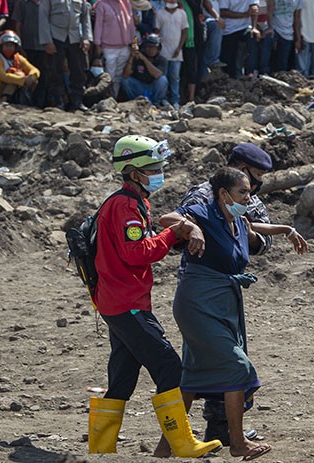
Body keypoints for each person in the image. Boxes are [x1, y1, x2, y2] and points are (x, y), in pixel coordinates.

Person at [88, 134, 222, 458]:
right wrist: (172, 233)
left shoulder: (135, 203)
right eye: (152, 167)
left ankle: (100, 448)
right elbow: (136, 252)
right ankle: (181, 442)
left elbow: (143, 243)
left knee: (122, 378)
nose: (159, 172)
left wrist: (172, 237)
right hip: (126, 304)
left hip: (116, 301)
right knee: (169, 367)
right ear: (134, 172)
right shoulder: (124, 206)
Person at [178, 143, 307, 445]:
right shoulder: (202, 195)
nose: (256, 187)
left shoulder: (248, 199)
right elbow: (177, 229)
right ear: (238, 167)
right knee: (225, 362)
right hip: (203, 287)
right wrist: (198, 232)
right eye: (255, 176)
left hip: (228, 289)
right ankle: (217, 433)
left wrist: (265, 235)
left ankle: (211, 431)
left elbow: (259, 241)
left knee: (208, 361)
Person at [159, 167, 273, 460]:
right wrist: (192, 227)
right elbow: (166, 219)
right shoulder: (204, 211)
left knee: (191, 376)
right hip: (197, 303)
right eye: (243, 192)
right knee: (237, 366)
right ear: (224, 194)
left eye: (249, 192)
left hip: (224, 305)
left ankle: (166, 445)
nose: (248, 197)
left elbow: (256, 240)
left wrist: (288, 231)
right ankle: (237, 443)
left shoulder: (236, 220)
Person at [39, 0, 92, 111]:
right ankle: (58, 101)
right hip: (55, 36)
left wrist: (86, 37)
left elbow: (85, 18)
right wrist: (47, 41)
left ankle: (77, 101)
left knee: (78, 71)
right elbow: (43, 17)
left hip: (75, 37)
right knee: (55, 70)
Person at [93, 0, 136, 98]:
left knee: (118, 77)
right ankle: (106, 99)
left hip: (125, 47)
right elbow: (98, 26)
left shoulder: (125, 3)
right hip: (109, 48)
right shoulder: (102, 4)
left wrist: (134, 41)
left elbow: (131, 24)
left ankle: (114, 99)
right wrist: (97, 44)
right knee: (109, 77)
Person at [0, 31, 39, 104]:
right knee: (17, 76)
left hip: (16, 90)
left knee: (33, 80)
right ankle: (3, 100)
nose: (9, 48)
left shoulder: (17, 57)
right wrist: (22, 80)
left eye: (11, 46)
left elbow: (35, 70)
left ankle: (25, 100)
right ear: (1, 46)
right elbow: (3, 76)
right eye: (6, 45)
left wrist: (31, 77)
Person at [154, 0, 188, 109]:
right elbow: (156, 32)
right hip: (163, 52)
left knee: (175, 77)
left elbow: (184, 32)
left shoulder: (182, 13)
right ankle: (163, 99)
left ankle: (175, 100)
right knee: (163, 77)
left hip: (176, 52)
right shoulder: (160, 14)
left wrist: (179, 48)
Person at [121, 33, 169, 105]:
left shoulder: (162, 60)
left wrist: (144, 59)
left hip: (153, 87)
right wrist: (131, 57)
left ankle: (156, 103)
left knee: (163, 80)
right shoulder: (137, 57)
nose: (150, 50)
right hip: (140, 88)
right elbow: (125, 75)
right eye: (148, 47)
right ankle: (137, 102)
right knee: (125, 81)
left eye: (153, 47)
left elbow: (157, 75)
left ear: (158, 49)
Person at [220, 0, 260, 78]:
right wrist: (244, 15)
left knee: (253, 36)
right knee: (228, 63)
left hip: (245, 27)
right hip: (229, 30)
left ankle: (250, 72)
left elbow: (254, 8)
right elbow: (223, 12)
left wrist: (254, 27)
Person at [269, 0, 302, 72]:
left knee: (282, 64)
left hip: (288, 33)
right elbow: (270, 11)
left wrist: (298, 39)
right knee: (269, 61)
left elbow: (297, 19)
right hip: (275, 30)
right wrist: (270, 28)